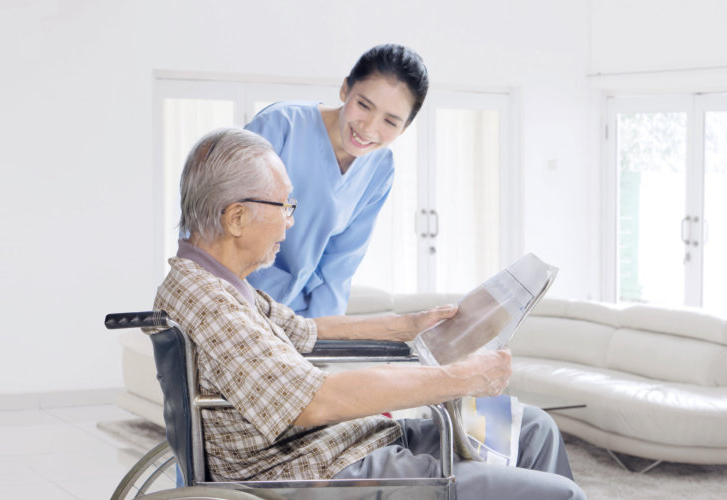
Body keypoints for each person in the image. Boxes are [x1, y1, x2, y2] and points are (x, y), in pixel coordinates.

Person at [154, 127, 582, 499]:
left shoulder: (220, 283)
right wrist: (462, 379)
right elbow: (315, 402)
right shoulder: (209, 302)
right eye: (284, 206)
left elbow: (307, 332)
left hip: (335, 447)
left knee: (533, 429)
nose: (290, 222)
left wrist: (407, 326)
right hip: (315, 473)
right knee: (561, 494)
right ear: (236, 217)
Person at [245, 43, 430, 317]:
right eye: (364, 105)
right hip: (236, 300)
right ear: (345, 89)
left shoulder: (380, 168)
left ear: (405, 128)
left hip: (299, 314)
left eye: (390, 121)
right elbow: (214, 220)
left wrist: (323, 340)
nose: (368, 128)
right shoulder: (280, 126)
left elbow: (340, 265)